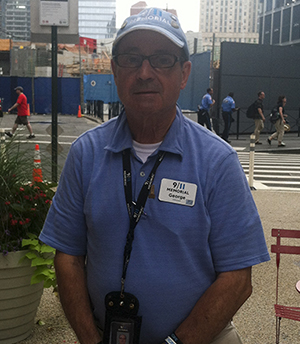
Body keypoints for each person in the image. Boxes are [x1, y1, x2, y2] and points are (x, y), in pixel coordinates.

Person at [40, 8, 270, 344]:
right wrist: (90, 339)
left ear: (184, 73)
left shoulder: (217, 161)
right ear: (115, 70)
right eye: (131, 59)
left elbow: (238, 277)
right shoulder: (86, 153)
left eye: (162, 59)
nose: (145, 72)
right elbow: (68, 256)